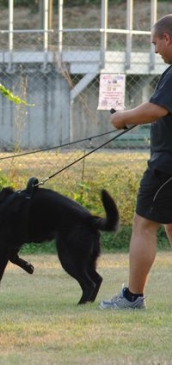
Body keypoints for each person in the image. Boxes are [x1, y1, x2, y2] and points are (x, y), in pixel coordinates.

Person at [99, 14, 172, 310]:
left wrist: (123, 117)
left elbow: (157, 108)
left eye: (156, 42)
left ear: (167, 37)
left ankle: (132, 297)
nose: (155, 50)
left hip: (167, 165)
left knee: (144, 225)